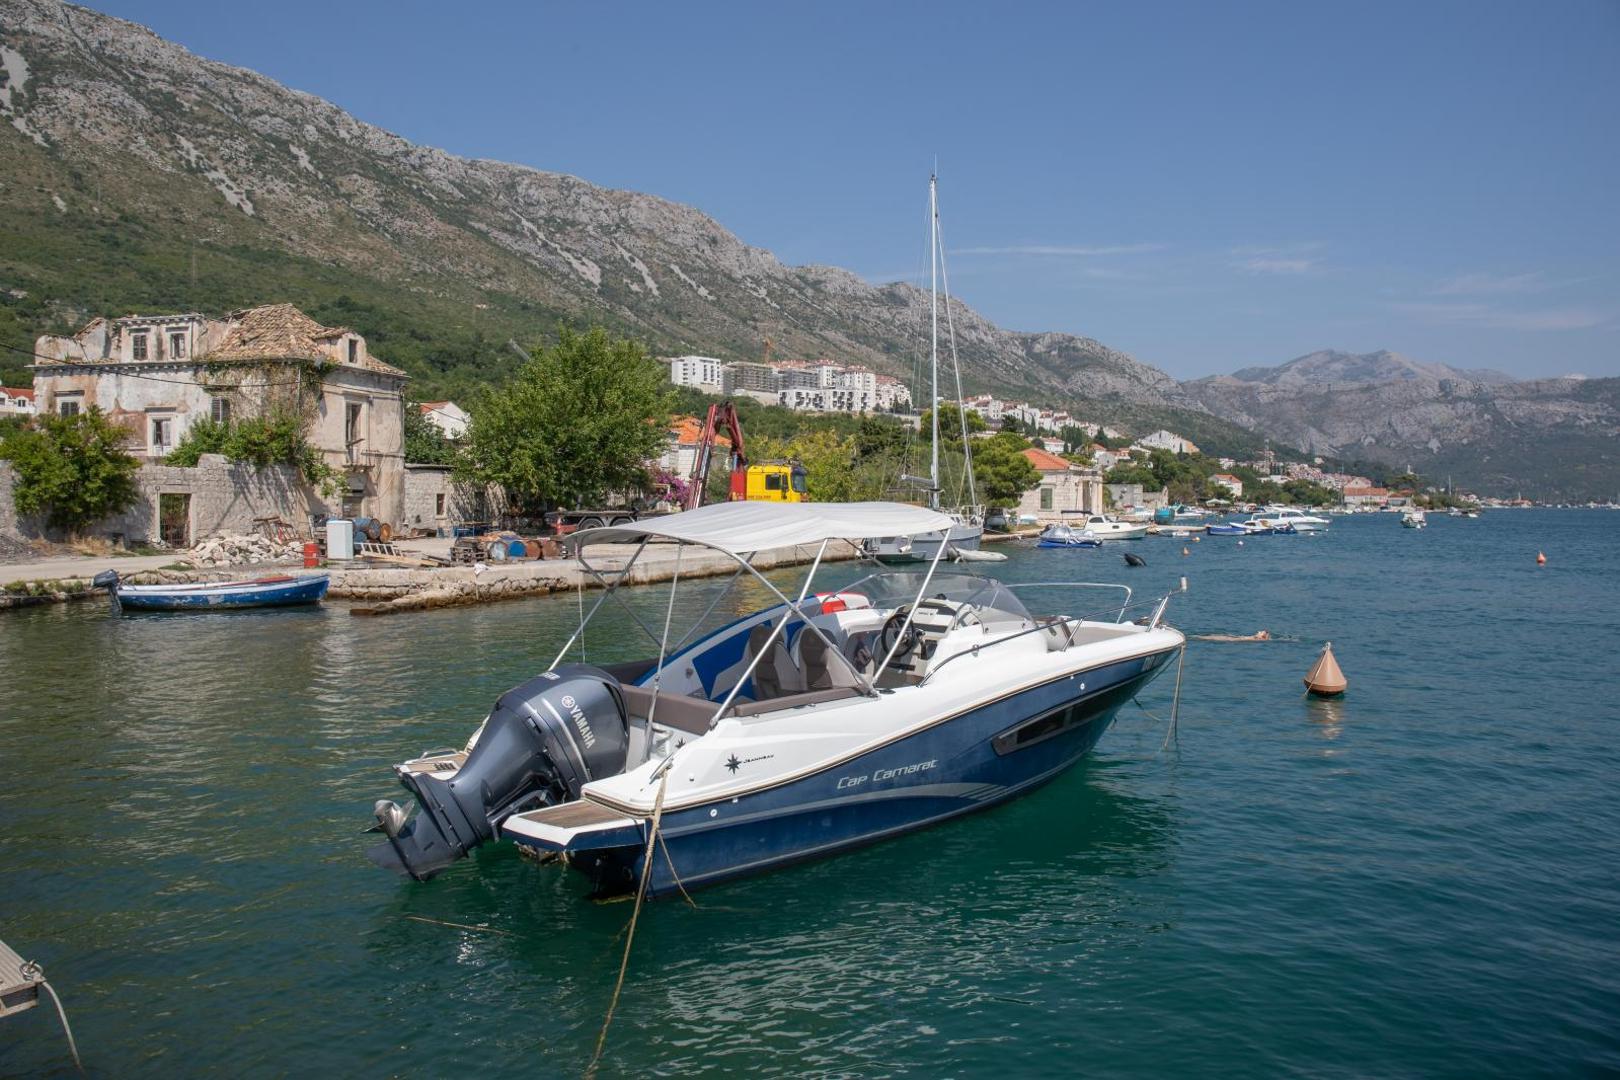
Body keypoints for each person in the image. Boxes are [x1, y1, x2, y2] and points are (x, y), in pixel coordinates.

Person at [1193, 629, 1272, 642]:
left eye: (1261, 632)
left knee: (1209, 638)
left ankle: (1195, 637)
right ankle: (1195, 636)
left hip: (1230, 640)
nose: (1258, 631)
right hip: (1231, 638)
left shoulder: (1255, 639)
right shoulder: (1254, 638)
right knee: (1212, 636)